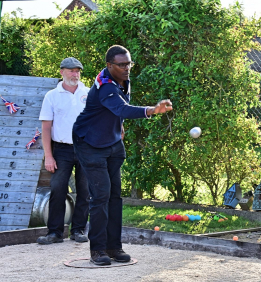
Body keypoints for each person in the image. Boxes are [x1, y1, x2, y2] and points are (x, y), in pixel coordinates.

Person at [72, 45, 173, 265]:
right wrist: (152, 110)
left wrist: (119, 128)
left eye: (129, 63)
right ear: (110, 66)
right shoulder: (106, 87)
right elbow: (122, 108)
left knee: (115, 196)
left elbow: (118, 111)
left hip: (112, 142)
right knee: (101, 196)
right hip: (89, 143)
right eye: (122, 64)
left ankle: (113, 247)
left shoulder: (122, 79)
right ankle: (97, 250)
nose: (127, 68)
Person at [37, 57, 90, 245]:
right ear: (61, 72)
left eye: (77, 71)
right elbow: (45, 128)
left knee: (85, 190)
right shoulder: (51, 96)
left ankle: (77, 231)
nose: (75, 74)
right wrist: (49, 156)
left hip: (85, 148)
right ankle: (55, 233)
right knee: (57, 188)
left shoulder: (89, 93)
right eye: (71, 70)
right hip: (61, 149)